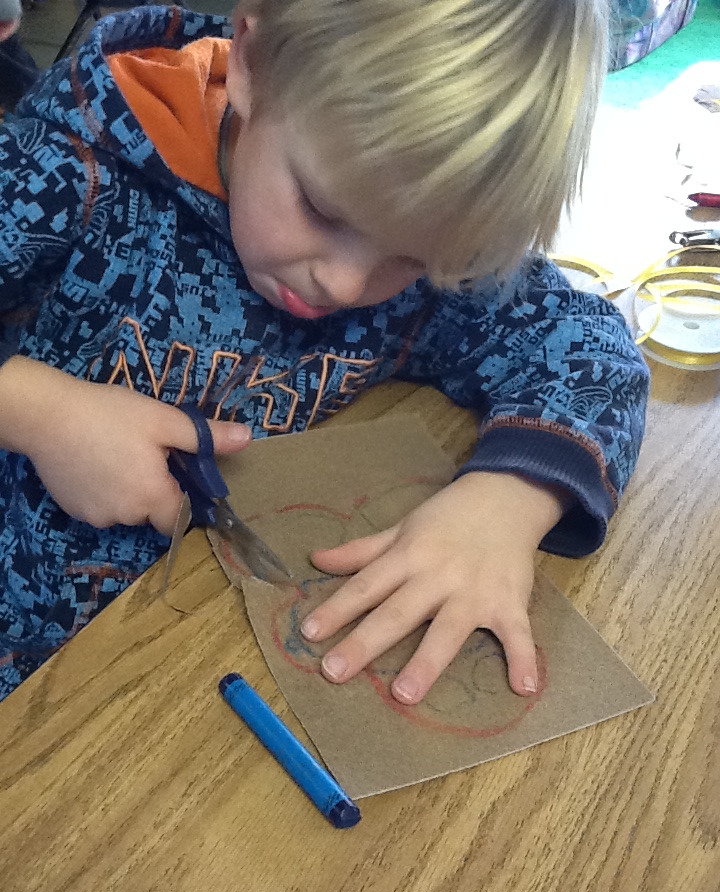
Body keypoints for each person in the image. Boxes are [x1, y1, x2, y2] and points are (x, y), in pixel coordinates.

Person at [0, 0, 649, 706]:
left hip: (190, 664)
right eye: (322, 209)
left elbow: (588, 349)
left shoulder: (419, 238)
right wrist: (38, 411)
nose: (345, 284)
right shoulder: (69, 167)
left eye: (409, 260)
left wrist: (509, 503)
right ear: (252, 61)